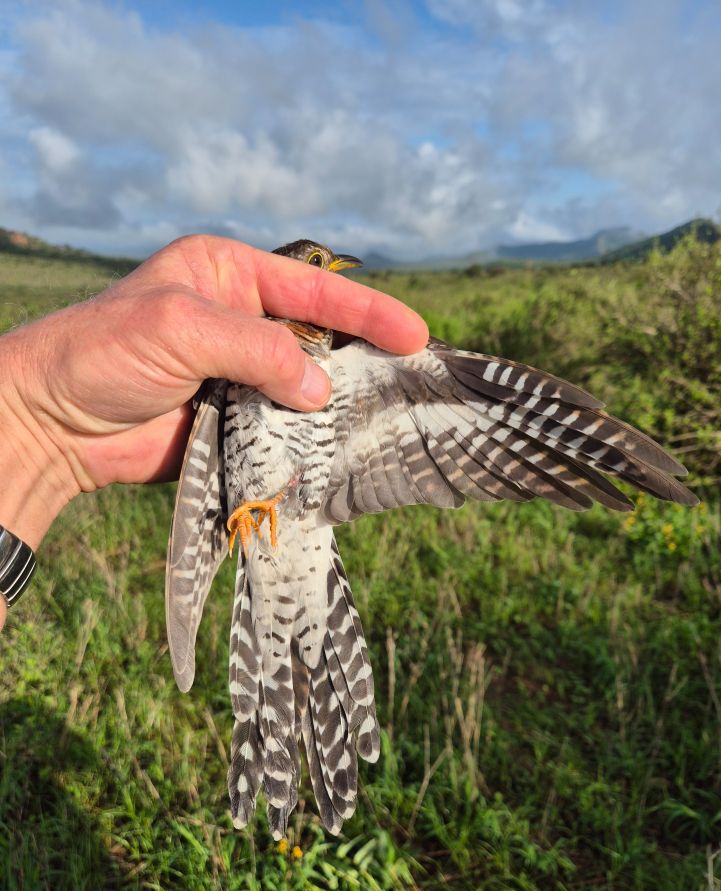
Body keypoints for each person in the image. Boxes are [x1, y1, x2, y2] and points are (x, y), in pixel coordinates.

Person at [0, 235, 428, 629]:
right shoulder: (245, 337)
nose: (329, 266)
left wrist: (38, 428)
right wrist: (38, 423)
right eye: (317, 261)